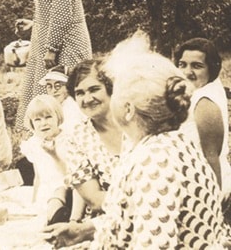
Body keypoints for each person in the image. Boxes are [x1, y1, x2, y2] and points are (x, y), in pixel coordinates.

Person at [44, 34, 229, 248]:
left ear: (129, 109)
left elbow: (155, 243)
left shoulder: (155, 161)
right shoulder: (166, 142)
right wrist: (84, 231)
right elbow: (136, 211)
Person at [14, 0, 92, 132]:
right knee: (50, 91)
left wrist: (52, 48)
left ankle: (69, 138)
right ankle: (47, 138)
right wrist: (35, 24)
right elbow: (54, 10)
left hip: (66, 45)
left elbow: (63, 15)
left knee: (61, 91)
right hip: (53, 40)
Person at [63, 59, 122, 216]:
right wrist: (144, 199)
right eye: (80, 93)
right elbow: (95, 200)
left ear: (110, 89)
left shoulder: (135, 121)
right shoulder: (76, 137)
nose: (87, 99)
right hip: (108, 222)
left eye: (94, 89)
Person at [174, 38, 230, 199]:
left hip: (207, 185)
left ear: (211, 68)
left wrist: (214, 203)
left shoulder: (204, 101)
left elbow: (211, 157)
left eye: (197, 66)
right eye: (182, 64)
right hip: (194, 180)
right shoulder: (204, 87)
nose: (187, 72)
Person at [19, 94, 84, 225]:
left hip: (67, 186)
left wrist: (54, 154)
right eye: (37, 120)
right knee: (42, 204)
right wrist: (34, 200)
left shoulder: (67, 140)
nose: (44, 123)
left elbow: (70, 173)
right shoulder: (34, 143)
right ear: (32, 123)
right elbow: (38, 177)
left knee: (58, 192)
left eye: (48, 117)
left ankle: (58, 217)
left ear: (57, 117)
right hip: (46, 187)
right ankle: (52, 216)